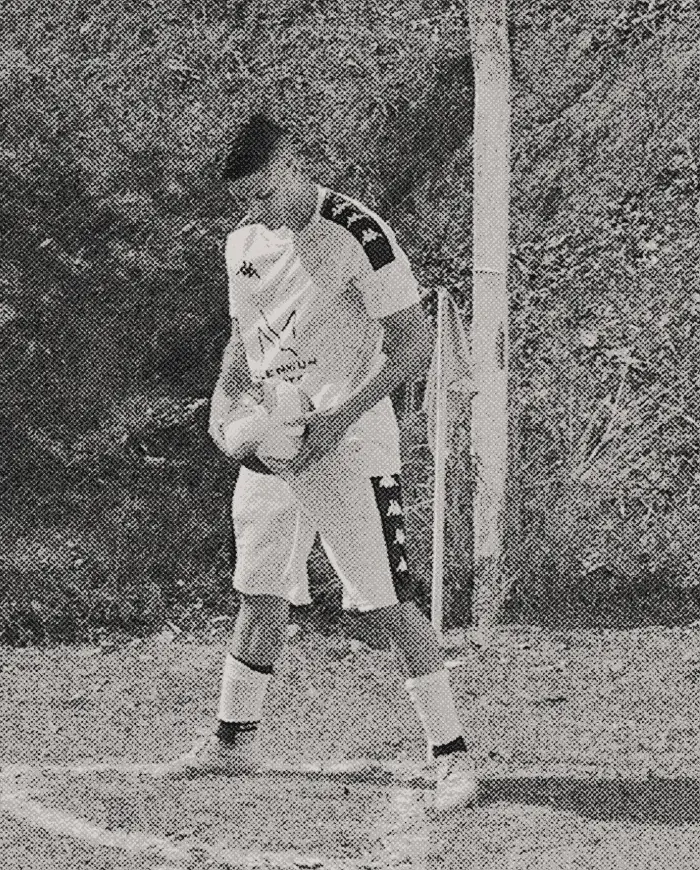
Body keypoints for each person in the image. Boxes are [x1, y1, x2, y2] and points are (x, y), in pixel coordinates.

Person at [179, 114, 478, 812]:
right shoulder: (244, 244)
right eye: (241, 201)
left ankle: (452, 755)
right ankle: (233, 741)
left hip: (348, 438)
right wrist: (226, 407)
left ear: (291, 165)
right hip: (275, 440)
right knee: (259, 591)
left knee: (387, 604)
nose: (253, 212)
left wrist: (336, 420)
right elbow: (241, 340)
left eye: (261, 194)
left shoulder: (358, 234)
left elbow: (411, 345)